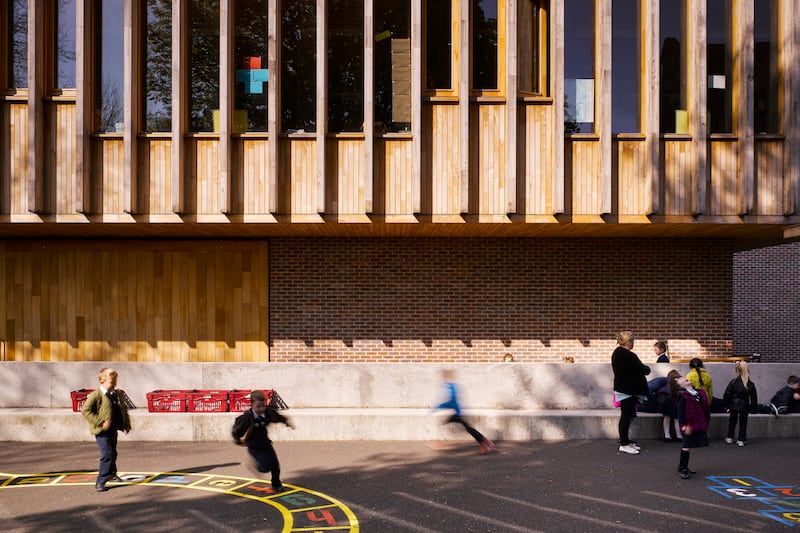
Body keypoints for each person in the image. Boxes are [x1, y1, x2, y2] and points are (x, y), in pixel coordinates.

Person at [81, 367, 132, 492]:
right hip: (102, 431)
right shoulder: (96, 395)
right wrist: (100, 422)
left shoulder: (115, 394)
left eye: (115, 382)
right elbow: (85, 410)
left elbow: (122, 410)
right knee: (107, 454)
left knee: (113, 452)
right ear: (102, 381)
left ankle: (112, 474)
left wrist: (126, 424)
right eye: (111, 382)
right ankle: (101, 480)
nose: (113, 385)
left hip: (112, 428)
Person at [232, 390, 294, 492]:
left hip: (265, 443)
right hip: (254, 446)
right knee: (264, 468)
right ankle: (253, 464)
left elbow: (278, 417)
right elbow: (236, 430)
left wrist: (287, 423)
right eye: (258, 407)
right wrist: (238, 440)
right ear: (252, 405)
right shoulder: (247, 418)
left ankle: (276, 484)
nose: (261, 409)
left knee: (275, 465)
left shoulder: (267, 413)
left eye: (263, 406)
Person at [434, 369, 495, 454]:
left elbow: (451, 401)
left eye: (444, 377)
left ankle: (486, 442)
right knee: (467, 428)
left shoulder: (450, 387)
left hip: (457, 412)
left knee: (468, 428)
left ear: (446, 377)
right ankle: (485, 442)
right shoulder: (453, 386)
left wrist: (437, 407)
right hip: (458, 412)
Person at [611, 331, 651, 454]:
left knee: (627, 417)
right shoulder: (627, 355)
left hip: (625, 389)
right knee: (626, 417)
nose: (633, 343)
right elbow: (643, 369)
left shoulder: (617, 353)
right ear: (629, 342)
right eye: (633, 341)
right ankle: (624, 444)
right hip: (627, 391)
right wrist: (647, 369)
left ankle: (626, 441)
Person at [676, 375, 710, 479]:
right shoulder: (684, 396)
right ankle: (684, 468)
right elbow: (680, 412)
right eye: (682, 380)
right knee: (687, 445)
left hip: (698, 423)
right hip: (688, 425)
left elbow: (704, 407)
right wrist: (683, 425)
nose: (686, 379)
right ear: (680, 386)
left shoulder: (698, 393)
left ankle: (681, 466)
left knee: (688, 446)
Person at [722, 361, 758, 446]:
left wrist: (726, 405)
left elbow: (727, 394)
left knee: (732, 421)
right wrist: (753, 409)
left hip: (733, 405)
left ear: (737, 370)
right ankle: (741, 439)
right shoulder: (751, 384)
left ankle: (730, 437)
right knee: (743, 423)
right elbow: (754, 398)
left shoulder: (733, 382)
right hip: (745, 406)